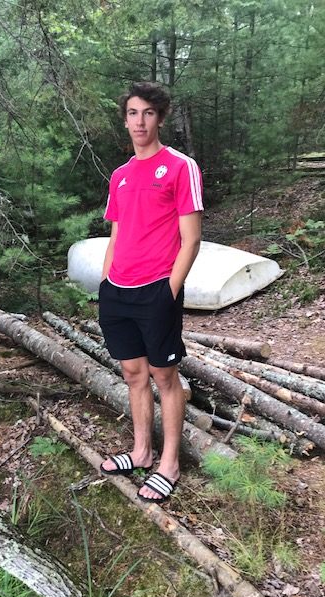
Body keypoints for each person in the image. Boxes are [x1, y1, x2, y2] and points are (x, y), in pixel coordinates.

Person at [98, 81, 203, 503]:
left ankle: (169, 463)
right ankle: (141, 452)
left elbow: (191, 238)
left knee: (164, 375)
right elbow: (116, 233)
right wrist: (107, 283)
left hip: (157, 289)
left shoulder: (180, 166)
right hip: (118, 292)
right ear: (125, 119)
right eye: (132, 113)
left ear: (160, 118)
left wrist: (169, 290)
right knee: (133, 375)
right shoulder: (120, 175)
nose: (139, 121)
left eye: (147, 113)